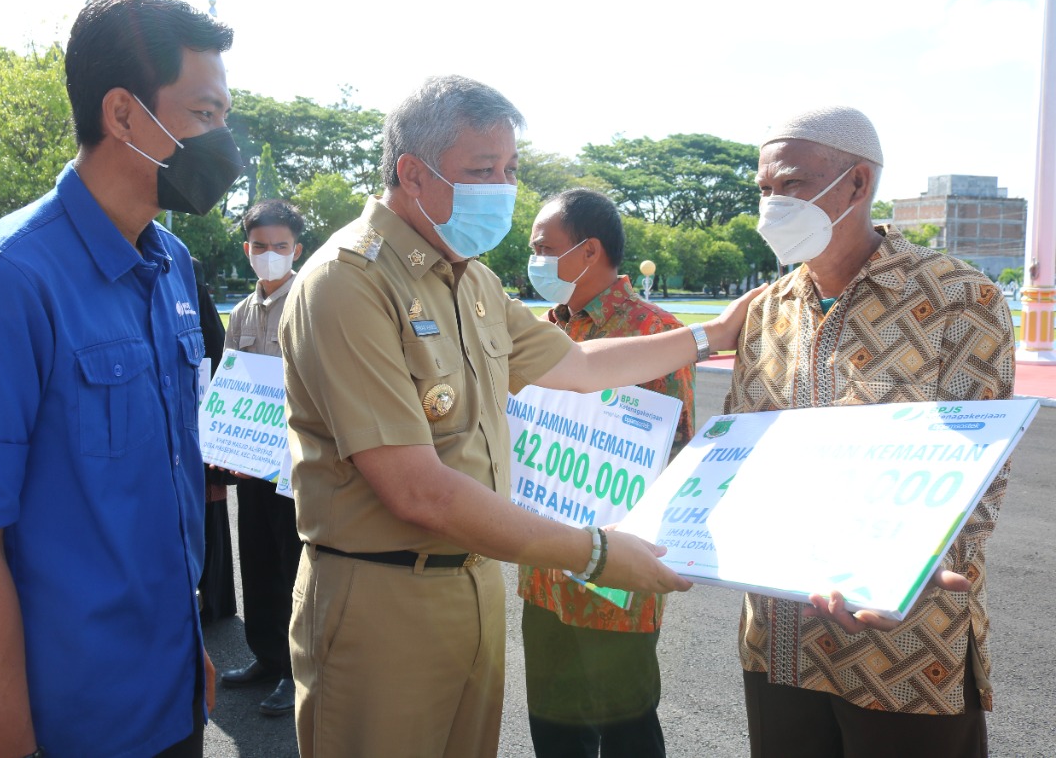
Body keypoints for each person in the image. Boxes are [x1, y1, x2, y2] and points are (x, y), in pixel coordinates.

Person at [279, 75, 760, 758]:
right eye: (482, 171)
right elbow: (417, 488)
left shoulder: (470, 280)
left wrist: (712, 335)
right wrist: (594, 552)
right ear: (412, 174)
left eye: (509, 170)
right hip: (379, 594)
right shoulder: (349, 282)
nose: (502, 188)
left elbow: (582, 367)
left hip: (473, 583)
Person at [0, 0, 244, 758]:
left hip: (171, 694)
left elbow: (154, 487)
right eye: (205, 114)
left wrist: (185, 649)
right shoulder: (3, 283)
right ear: (123, 114)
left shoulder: (171, 263)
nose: (223, 139)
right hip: (69, 723)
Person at [728, 106, 1015, 758]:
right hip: (779, 632)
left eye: (792, 184)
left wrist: (905, 567)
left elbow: (976, 469)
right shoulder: (767, 310)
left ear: (857, 184)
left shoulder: (957, 297)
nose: (772, 202)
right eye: (764, 189)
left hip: (906, 643)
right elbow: (741, 455)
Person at [519, 188, 696, 758]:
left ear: (588, 251)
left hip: (616, 577)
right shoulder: (545, 331)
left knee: (626, 729)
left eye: (545, 248)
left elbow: (678, 457)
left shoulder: (654, 333)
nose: (536, 260)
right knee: (552, 726)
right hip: (545, 565)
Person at [217, 198, 306, 717]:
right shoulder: (244, 312)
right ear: (246, 248)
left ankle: (297, 672)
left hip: (295, 464)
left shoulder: (310, 304)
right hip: (251, 459)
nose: (269, 254)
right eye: (259, 246)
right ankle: (266, 658)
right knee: (257, 559)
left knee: (295, 566)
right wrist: (225, 447)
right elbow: (232, 380)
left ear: (297, 249)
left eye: (280, 246)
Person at [193, 257, 238, 626]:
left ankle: (215, 598)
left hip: (205, 435)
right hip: (191, 433)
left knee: (209, 514)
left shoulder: (204, 325)